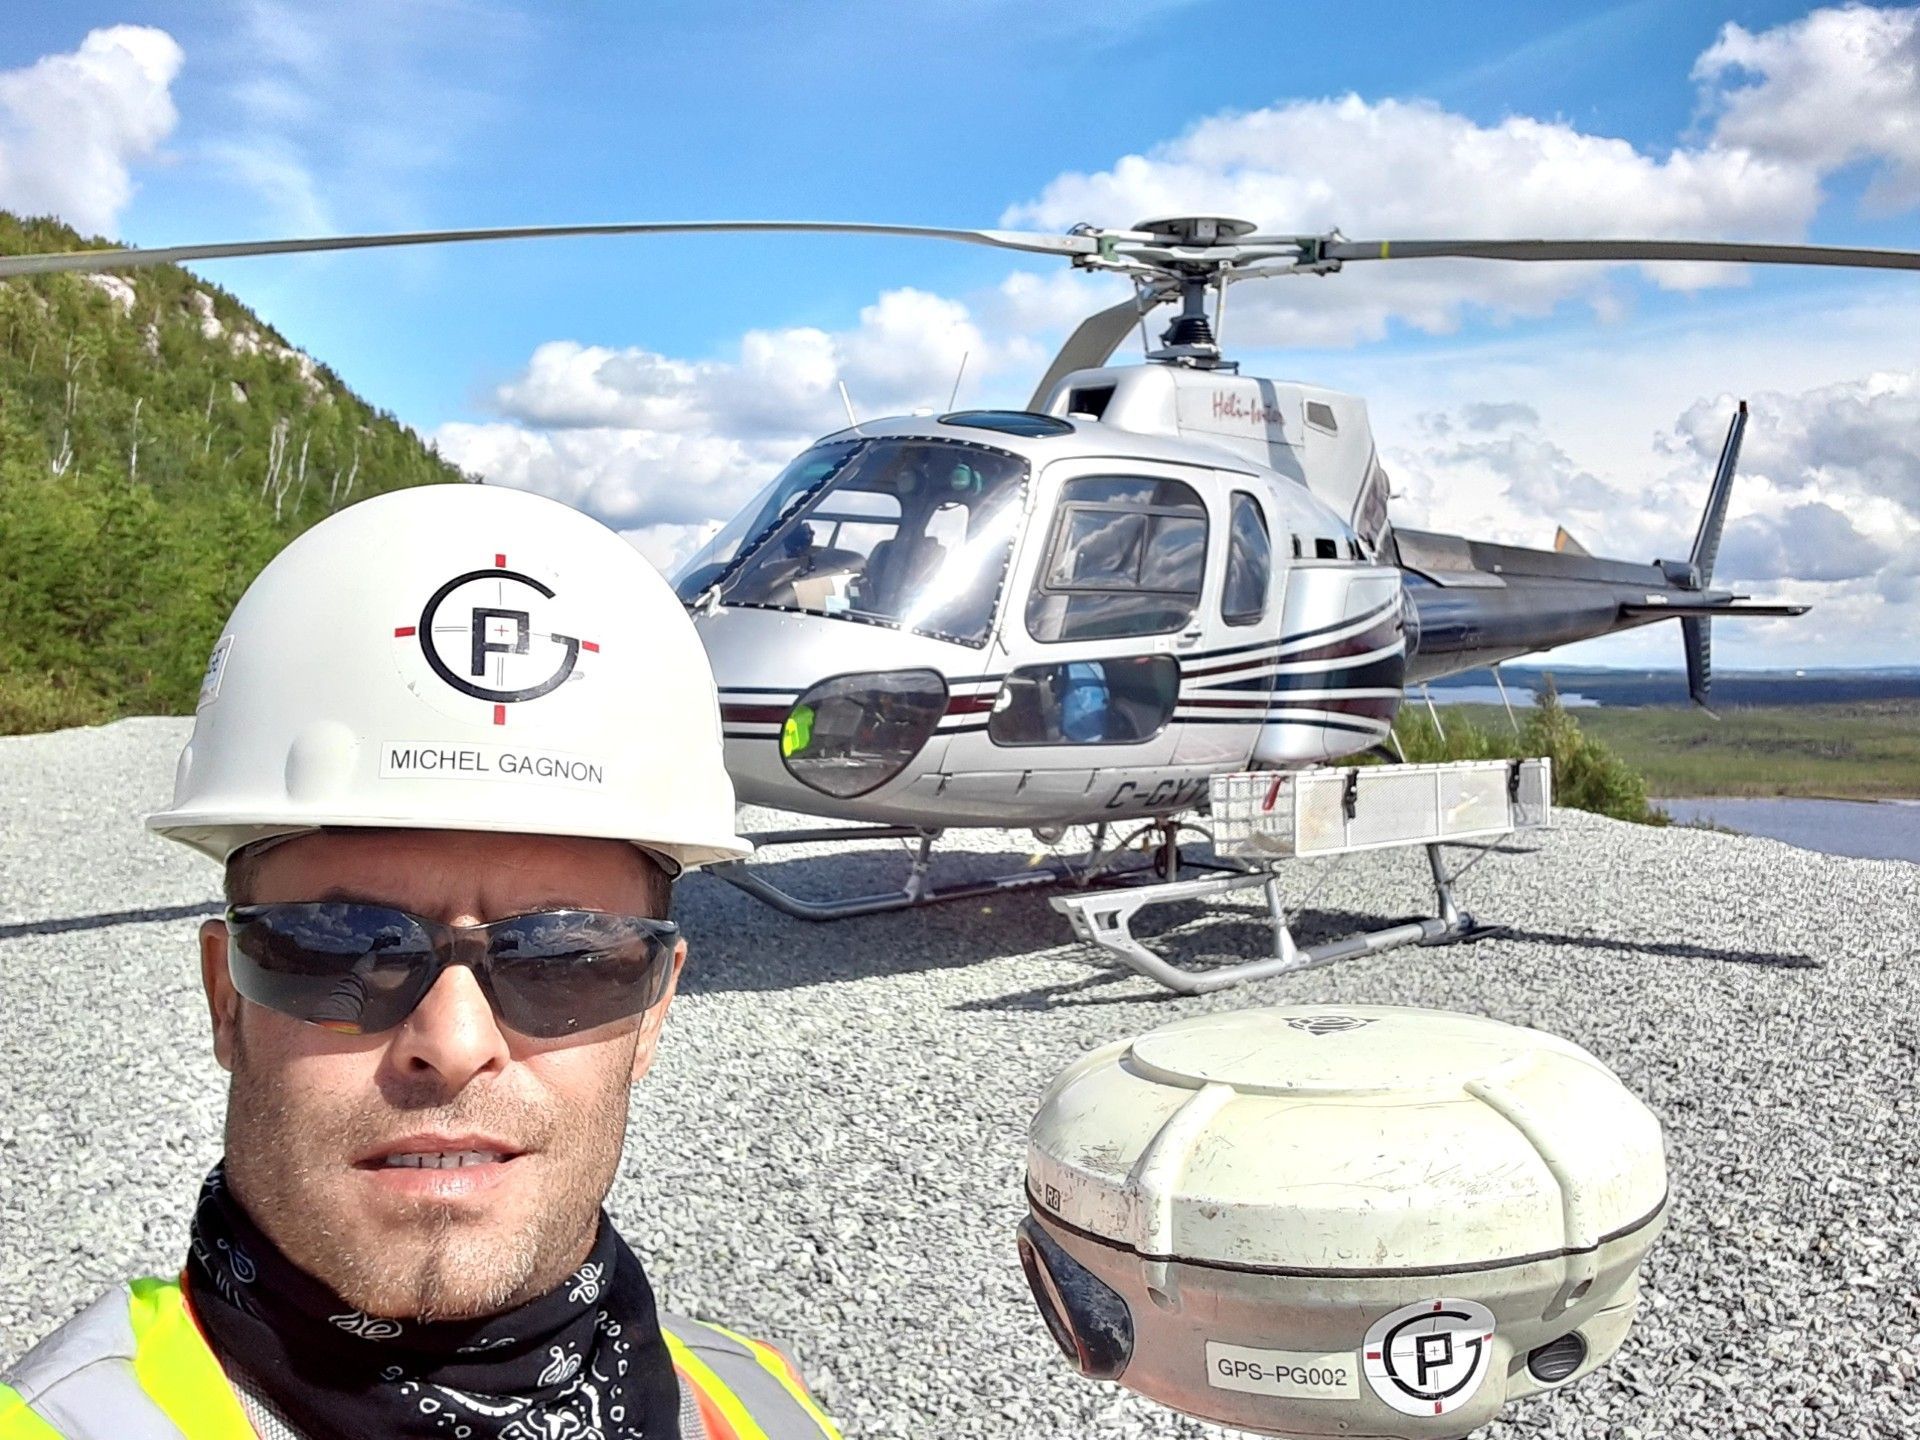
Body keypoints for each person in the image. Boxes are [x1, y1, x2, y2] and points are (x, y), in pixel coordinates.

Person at [0, 484, 842, 1440]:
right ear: (224, 997)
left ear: (654, 1012)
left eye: (566, 957)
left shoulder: (764, 1407)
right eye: (345, 946)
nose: (454, 1042)